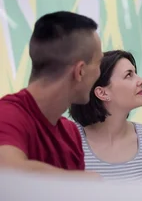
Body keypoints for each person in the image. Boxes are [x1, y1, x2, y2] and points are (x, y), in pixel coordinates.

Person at [0, 11, 102, 175]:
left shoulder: (71, 133)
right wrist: (86, 181)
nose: (99, 73)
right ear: (80, 71)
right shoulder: (7, 115)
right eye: (99, 63)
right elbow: (8, 171)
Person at [69, 50, 142, 181]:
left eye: (136, 73)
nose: (141, 81)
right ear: (102, 93)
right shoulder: (70, 140)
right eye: (129, 75)